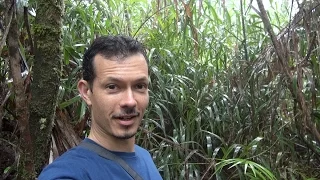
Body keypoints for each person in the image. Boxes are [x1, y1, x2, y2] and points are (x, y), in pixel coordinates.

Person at [38, 35, 163, 180]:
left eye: (139, 86)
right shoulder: (67, 174)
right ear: (86, 92)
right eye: (112, 87)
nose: (130, 101)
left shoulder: (144, 157)